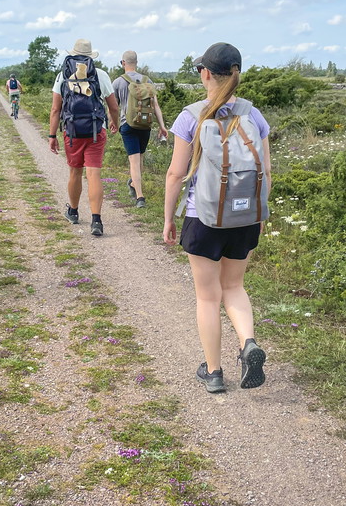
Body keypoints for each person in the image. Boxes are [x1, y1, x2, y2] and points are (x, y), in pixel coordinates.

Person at [162, 42, 271, 393]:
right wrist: (260, 213)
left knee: (208, 296)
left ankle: (214, 373)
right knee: (234, 286)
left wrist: (168, 218)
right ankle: (248, 343)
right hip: (245, 218)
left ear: (205, 73)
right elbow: (266, 169)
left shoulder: (191, 116)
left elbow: (175, 175)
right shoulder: (253, 115)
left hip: (203, 216)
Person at [48, 38, 119, 237]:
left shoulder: (62, 75)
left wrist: (52, 135)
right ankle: (96, 220)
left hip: (72, 132)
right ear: (90, 56)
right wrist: (115, 122)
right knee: (93, 173)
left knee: (75, 172)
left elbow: (55, 109)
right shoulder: (101, 74)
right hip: (96, 130)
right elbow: (113, 106)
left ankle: (73, 211)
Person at [111, 50, 168, 208]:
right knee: (140, 159)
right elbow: (155, 105)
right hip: (145, 124)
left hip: (127, 125)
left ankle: (140, 197)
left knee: (134, 161)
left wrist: (113, 123)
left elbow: (113, 107)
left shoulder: (118, 82)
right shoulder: (147, 80)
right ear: (136, 62)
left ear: (123, 63)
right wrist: (162, 126)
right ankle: (133, 183)